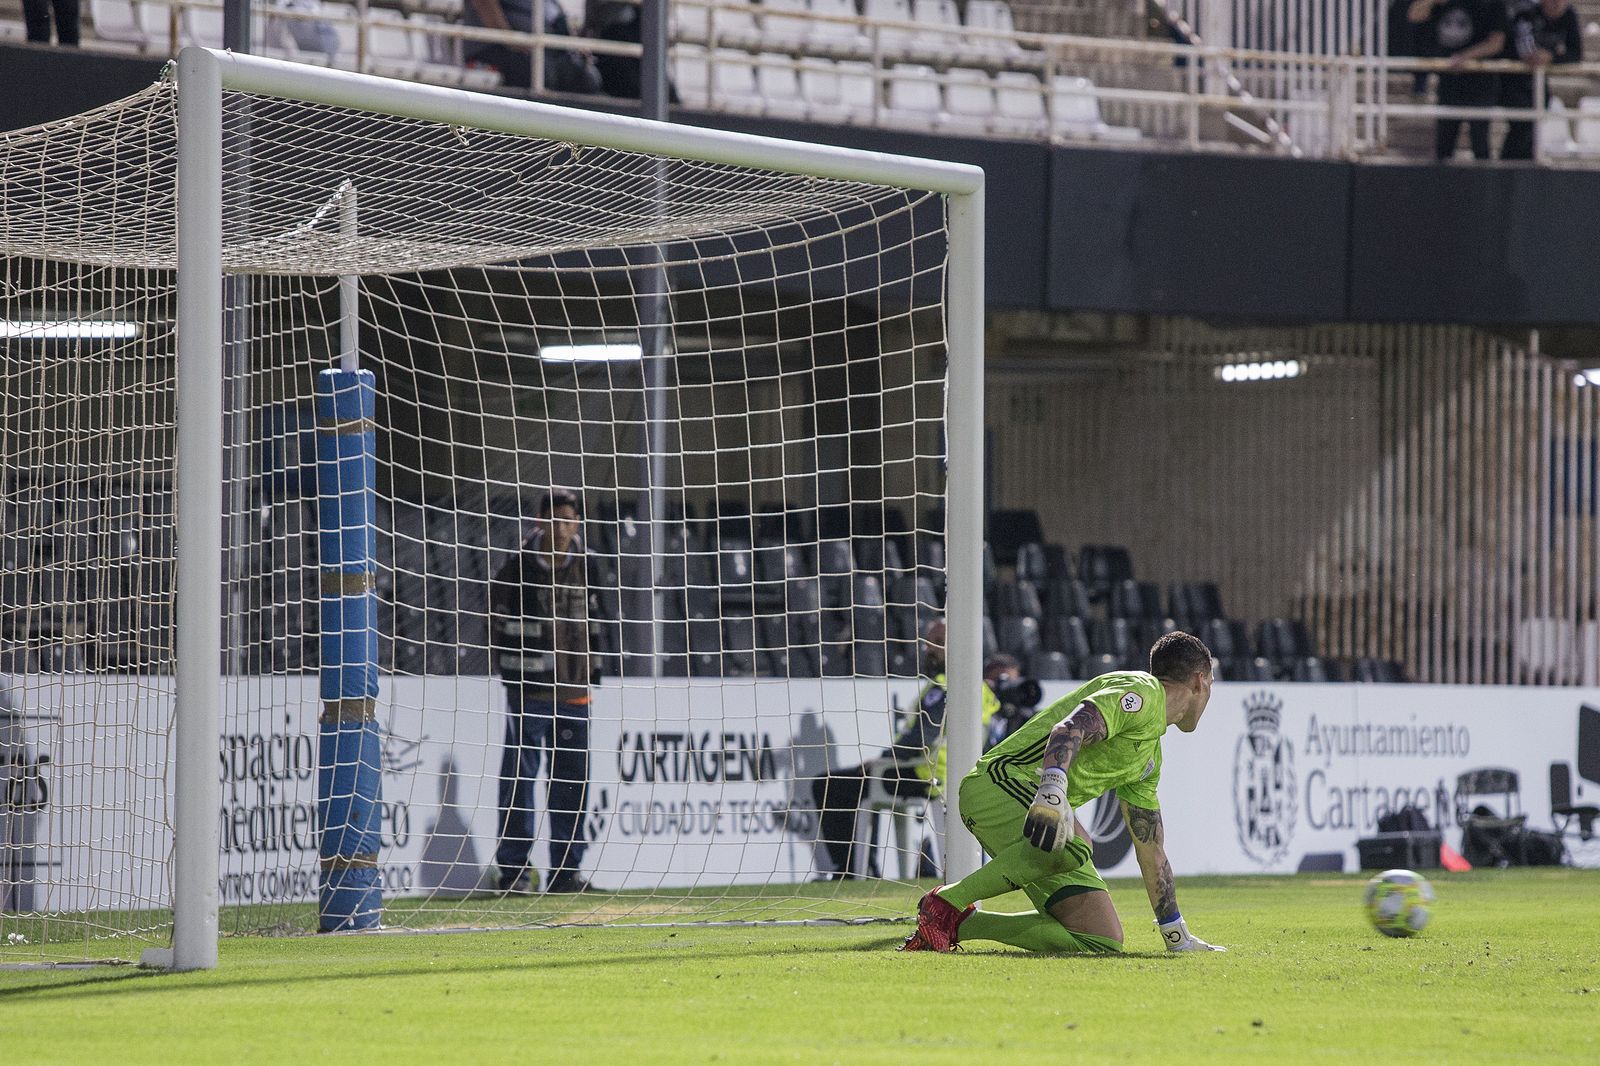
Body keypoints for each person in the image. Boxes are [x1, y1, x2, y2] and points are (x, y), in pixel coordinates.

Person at [901, 631, 1225, 955]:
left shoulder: (1148, 759)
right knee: (1078, 843)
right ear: (1200, 681)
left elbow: (1150, 849)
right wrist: (1052, 791)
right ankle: (945, 902)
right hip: (997, 784)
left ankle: (959, 924)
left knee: (1101, 938)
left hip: (1040, 811)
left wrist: (1176, 936)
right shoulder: (1140, 692)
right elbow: (1070, 729)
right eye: (1211, 682)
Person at [810, 619, 1000, 878]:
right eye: (929, 641)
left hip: (921, 775)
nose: (929, 649)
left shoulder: (946, 685)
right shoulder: (980, 689)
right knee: (865, 785)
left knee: (830, 784)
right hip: (954, 778)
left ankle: (851, 871)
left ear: (960, 646)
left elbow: (920, 739)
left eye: (939, 643)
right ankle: (864, 866)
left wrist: (883, 760)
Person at [491, 488, 601, 894]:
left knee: (572, 782)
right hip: (530, 691)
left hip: (575, 691)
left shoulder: (588, 564)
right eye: (554, 519)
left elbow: (597, 618)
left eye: (568, 520)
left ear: (577, 524)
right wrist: (512, 672)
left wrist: (594, 668)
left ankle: (566, 872)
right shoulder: (518, 565)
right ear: (539, 521)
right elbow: (495, 620)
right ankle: (515, 871)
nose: (561, 528)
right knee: (520, 779)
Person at [1410, 0, 1507, 161]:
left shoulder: (1491, 4)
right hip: (1449, 82)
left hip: (1480, 81)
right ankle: (1441, 182)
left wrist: (1466, 57)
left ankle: (1485, 183)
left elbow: (1496, 43)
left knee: (1480, 141)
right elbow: (1414, 15)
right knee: (1444, 142)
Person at [1498, 0, 1583, 160]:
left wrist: (1552, 57)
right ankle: (1509, 166)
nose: (1556, 5)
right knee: (1521, 126)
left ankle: (1524, 164)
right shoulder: (1526, 14)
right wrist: (1539, 56)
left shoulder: (1569, 15)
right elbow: (1526, 52)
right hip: (1513, 80)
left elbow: (1575, 54)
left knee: (1533, 126)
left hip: (1538, 82)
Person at [464, 0, 602, 94]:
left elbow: (554, 14)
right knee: (541, 73)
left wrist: (573, 44)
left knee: (588, 79)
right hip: (494, 46)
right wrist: (510, 39)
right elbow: (483, 3)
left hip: (546, 50)